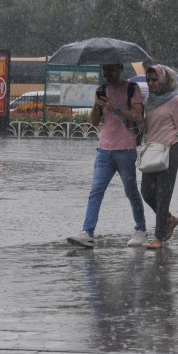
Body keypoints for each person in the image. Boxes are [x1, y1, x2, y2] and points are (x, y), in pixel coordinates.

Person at [67, 63, 148, 249]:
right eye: (104, 70)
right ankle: (87, 232)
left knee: (131, 192)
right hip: (104, 150)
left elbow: (138, 117)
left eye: (110, 70)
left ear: (119, 69)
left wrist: (115, 108)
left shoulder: (131, 89)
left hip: (126, 150)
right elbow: (95, 121)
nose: (107, 74)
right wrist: (97, 105)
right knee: (96, 191)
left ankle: (141, 229)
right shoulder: (101, 90)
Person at [140, 64, 178, 250]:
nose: (151, 83)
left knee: (163, 194)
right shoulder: (149, 102)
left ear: (164, 80)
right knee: (147, 192)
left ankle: (159, 237)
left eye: (155, 80)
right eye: (148, 80)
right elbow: (146, 127)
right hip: (152, 151)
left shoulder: (175, 102)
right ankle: (169, 219)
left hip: (169, 151)